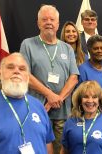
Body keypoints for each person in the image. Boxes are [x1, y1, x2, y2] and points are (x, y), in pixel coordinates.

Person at [20, 5, 79, 154]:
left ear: (58, 24)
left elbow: (73, 78)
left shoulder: (67, 48)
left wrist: (57, 98)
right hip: (36, 110)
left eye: (52, 19)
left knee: (60, 149)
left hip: (62, 112)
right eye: (44, 19)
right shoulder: (28, 44)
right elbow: (25, 75)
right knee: (36, 148)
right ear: (38, 23)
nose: (48, 22)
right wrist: (49, 94)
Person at [0, 53, 55, 154]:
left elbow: (48, 145)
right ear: (0, 74)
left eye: (22, 69)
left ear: (27, 77)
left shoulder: (39, 106)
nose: (16, 71)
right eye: (10, 67)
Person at [60, 81, 102, 154]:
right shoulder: (71, 122)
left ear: (99, 100)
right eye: (86, 97)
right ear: (80, 100)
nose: (90, 101)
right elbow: (64, 151)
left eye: (94, 97)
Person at [78, 35, 102, 103]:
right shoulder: (83, 70)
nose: (99, 51)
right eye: (96, 48)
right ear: (89, 50)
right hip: (91, 111)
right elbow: (79, 96)